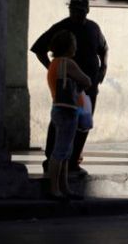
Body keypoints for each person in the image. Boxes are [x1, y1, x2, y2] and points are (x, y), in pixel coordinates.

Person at [31, 0, 108, 176]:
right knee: (61, 124)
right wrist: (54, 68)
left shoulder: (93, 28)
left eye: (80, 11)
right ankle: (51, 161)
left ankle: (73, 162)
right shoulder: (62, 28)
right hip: (67, 90)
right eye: (73, 10)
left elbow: (104, 49)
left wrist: (103, 68)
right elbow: (39, 48)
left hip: (89, 89)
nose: (77, 14)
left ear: (87, 10)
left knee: (83, 125)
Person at [44, 30, 92, 201]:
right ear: (69, 46)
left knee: (65, 150)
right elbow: (87, 80)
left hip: (57, 108)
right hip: (67, 109)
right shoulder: (67, 63)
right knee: (61, 151)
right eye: (74, 43)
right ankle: (55, 189)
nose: (76, 47)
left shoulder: (54, 63)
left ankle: (64, 188)